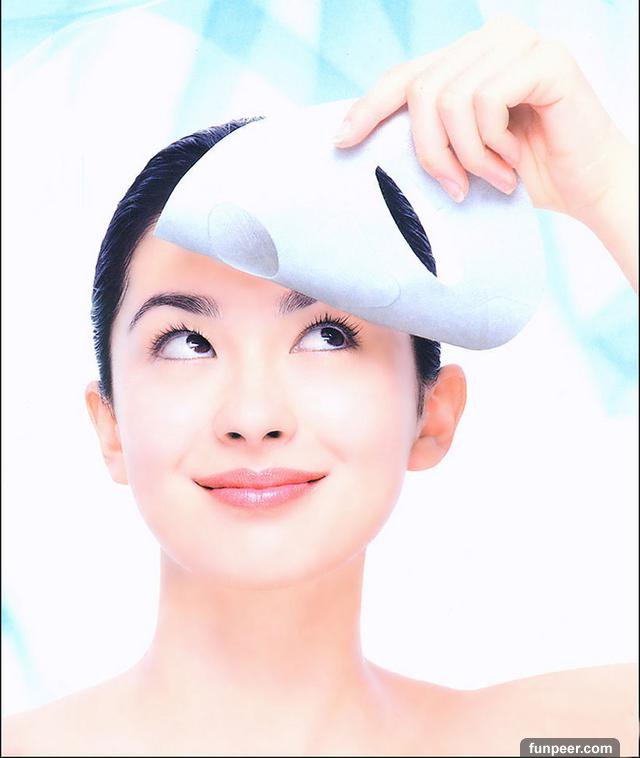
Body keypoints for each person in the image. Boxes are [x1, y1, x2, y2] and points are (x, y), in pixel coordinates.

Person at [2, 16, 637, 757]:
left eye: (328, 335)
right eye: (186, 342)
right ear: (109, 424)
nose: (253, 416)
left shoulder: (550, 741)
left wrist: (608, 185)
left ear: (432, 413)